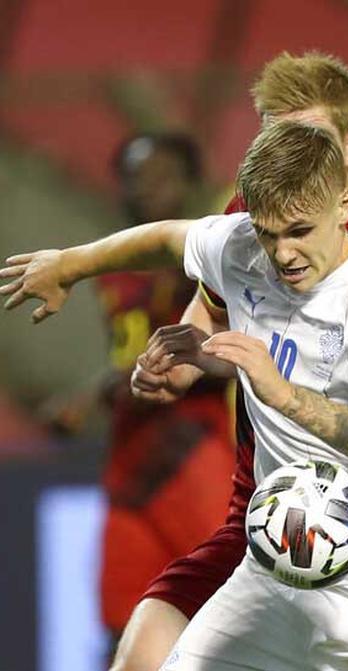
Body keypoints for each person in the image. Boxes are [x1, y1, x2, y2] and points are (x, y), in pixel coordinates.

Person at [4, 120, 348, 671]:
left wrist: (283, 393)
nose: (284, 254)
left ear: (345, 204)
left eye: (300, 231)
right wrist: (70, 264)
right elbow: (168, 239)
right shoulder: (243, 247)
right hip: (274, 577)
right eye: (270, 234)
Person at [104, 52, 348, 671]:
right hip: (262, 519)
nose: (287, 152)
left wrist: (271, 384)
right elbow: (214, 310)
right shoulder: (253, 216)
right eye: (271, 134)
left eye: (305, 135)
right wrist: (186, 354)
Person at [91, 133, 235, 641]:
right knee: (125, 636)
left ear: (191, 184)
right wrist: (97, 393)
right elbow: (125, 361)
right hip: (129, 466)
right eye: (136, 178)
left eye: (161, 176)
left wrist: (180, 366)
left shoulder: (213, 263)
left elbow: (238, 353)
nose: (146, 188)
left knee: (228, 620)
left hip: (191, 456)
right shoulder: (110, 268)